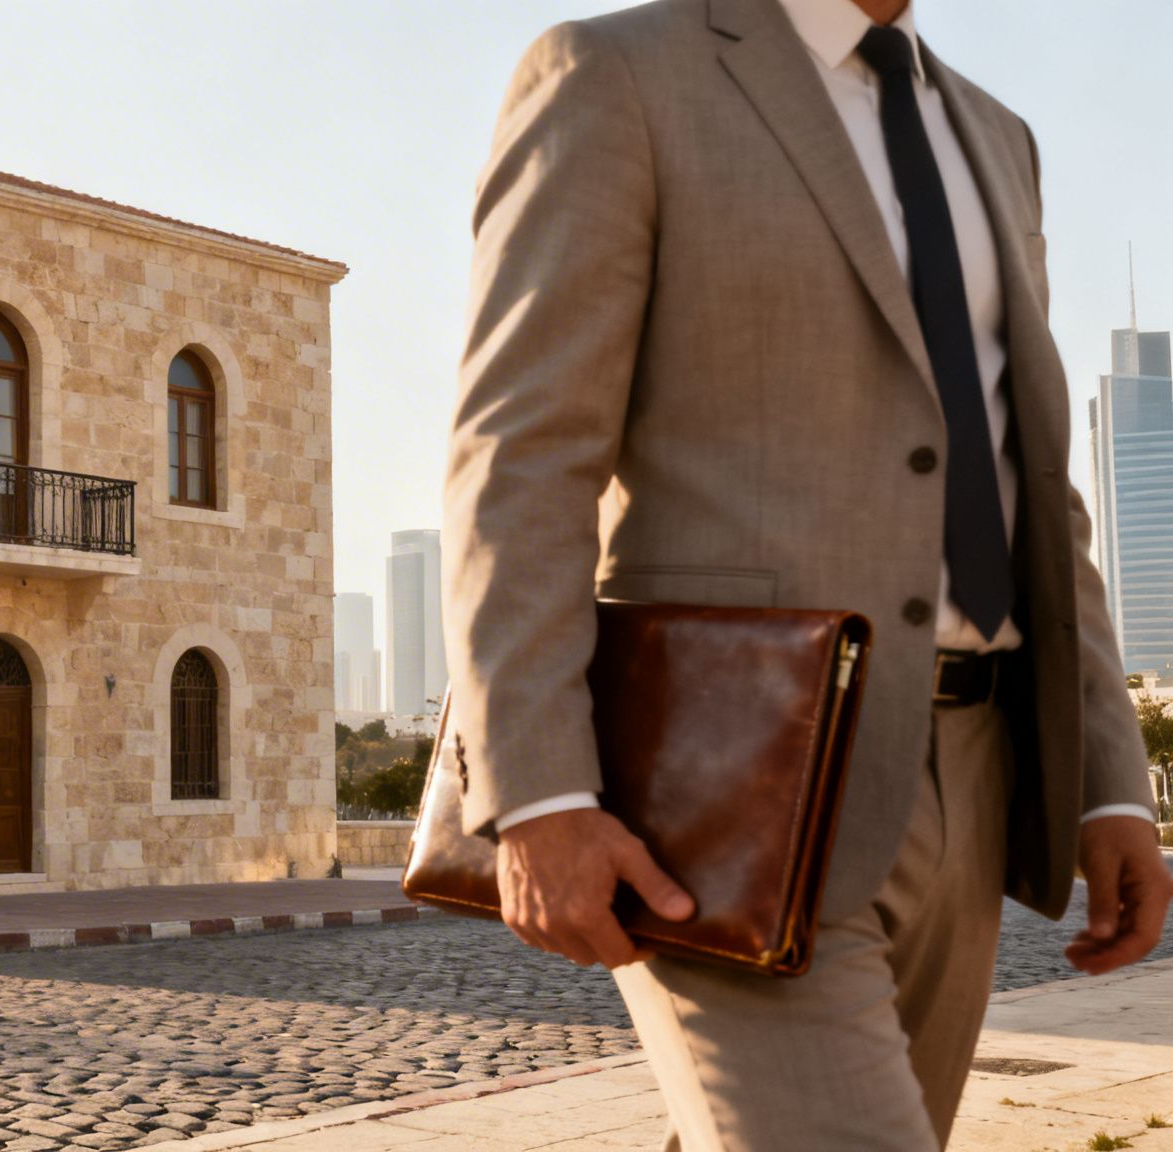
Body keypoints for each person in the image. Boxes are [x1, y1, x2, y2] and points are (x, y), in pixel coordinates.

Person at [440, 0, 1173, 1147]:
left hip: (974, 778)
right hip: (731, 787)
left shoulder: (994, 133)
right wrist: (535, 791)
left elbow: (1033, 484)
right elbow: (521, 452)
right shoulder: (616, 73)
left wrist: (1106, 782)